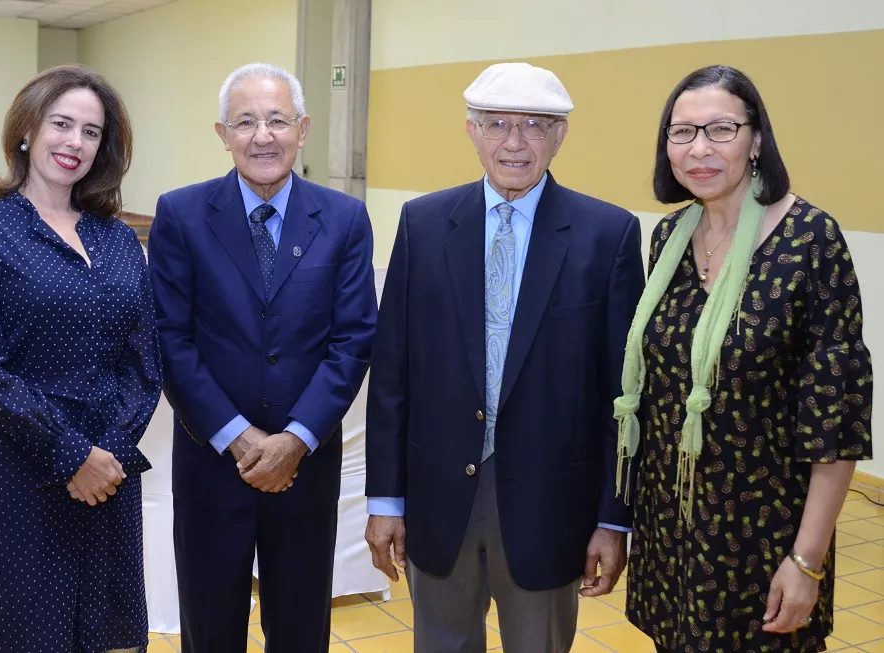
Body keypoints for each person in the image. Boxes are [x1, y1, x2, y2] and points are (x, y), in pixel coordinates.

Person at [364, 62, 645, 653]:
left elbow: (621, 397)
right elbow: (393, 374)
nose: (514, 142)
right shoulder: (423, 224)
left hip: (550, 505)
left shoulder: (607, 235)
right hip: (439, 499)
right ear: (471, 131)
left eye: (535, 125)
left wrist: (612, 518)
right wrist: (386, 502)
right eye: (496, 124)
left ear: (560, 135)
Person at [615, 64, 875, 653]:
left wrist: (806, 562)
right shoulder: (670, 238)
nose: (698, 148)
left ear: (757, 141)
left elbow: (836, 423)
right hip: (673, 533)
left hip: (763, 540)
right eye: (681, 133)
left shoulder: (811, 241)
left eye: (721, 129)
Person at [0, 65, 162, 653]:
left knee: (95, 634)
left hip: (104, 472)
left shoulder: (118, 238)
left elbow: (144, 360)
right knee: (6, 634)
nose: (75, 142)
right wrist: (70, 454)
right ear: (27, 131)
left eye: (91, 132)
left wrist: (109, 453)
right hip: (6, 467)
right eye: (61, 123)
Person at [148, 62, 377, 653]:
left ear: (302, 129)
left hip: (305, 467)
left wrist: (295, 440)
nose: (262, 135)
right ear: (222, 134)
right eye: (245, 121)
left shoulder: (345, 218)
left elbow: (352, 340)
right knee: (211, 629)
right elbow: (171, 339)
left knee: (301, 630)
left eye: (277, 120)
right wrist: (239, 437)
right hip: (212, 463)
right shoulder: (180, 215)